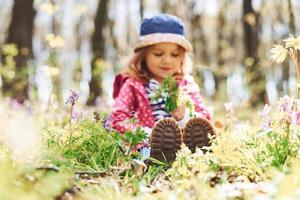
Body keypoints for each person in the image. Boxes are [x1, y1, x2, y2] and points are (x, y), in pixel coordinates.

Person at [111, 14, 215, 162]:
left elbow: (205, 118)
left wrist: (184, 115)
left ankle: (194, 155)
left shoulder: (185, 84)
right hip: (145, 143)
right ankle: (154, 159)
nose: (167, 60)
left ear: (182, 58)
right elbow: (119, 117)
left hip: (182, 141)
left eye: (174, 54)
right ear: (143, 55)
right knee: (144, 151)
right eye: (158, 54)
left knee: (194, 136)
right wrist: (147, 134)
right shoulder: (133, 85)